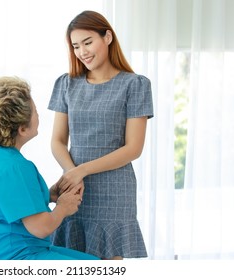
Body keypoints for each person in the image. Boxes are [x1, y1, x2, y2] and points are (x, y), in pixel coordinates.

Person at [47, 10, 154, 260]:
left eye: (87, 42)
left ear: (107, 37)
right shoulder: (66, 84)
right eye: (76, 46)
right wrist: (71, 173)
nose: (82, 52)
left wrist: (81, 171)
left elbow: (133, 149)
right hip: (74, 189)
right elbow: (57, 141)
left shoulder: (135, 85)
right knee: (69, 261)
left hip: (114, 191)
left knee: (109, 267)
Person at [0, 76, 99, 260]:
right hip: (11, 255)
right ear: (22, 130)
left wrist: (49, 194)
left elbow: (10, 200)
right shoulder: (13, 167)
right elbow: (40, 228)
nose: (38, 114)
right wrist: (63, 207)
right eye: (35, 111)